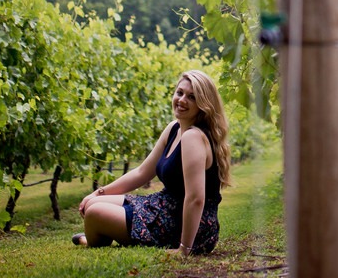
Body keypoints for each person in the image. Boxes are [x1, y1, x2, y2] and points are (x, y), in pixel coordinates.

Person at [73, 69, 231, 255]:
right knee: (94, 203)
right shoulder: (174, 128)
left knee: (93, 213)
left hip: (184, 224)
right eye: (179, 93)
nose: (181, 100)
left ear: (204, 104)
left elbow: (196, 199)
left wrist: (184, 249)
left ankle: (94, 237)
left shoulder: (193, 138)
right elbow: (142, 172)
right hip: (164, 207)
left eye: (192, 97)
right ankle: (102, 231)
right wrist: (98, 192)